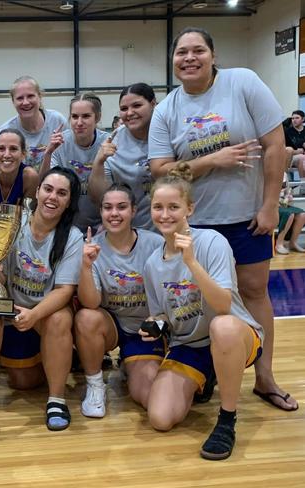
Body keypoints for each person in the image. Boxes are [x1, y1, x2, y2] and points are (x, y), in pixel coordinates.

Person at [148, 27, 297, 411]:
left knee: (253, 292)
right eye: (182, 52)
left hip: (246, 218)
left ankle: (264, 377)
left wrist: (269, 206)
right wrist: (211, 161)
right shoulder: (167, 109)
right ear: (173, 61)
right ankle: (209, 369)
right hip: (194, 224)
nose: (189, 58)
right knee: (203, 302)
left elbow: (276, 145)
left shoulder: (242, 82)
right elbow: (161, 171)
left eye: (198, 50)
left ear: (213, 55)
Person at [141, 163, 264, 461]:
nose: (165, 214)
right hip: (190, 345)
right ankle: (206, 377)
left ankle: (226, 419)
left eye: (174, 206)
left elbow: (222, 306)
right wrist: (154, 324)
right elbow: (162, 315)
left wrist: (192, 262)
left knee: (222, 327)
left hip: (236, 335)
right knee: (160, 419)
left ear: (189, 209)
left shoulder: (211, 242)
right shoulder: (151, 265)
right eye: (158, 207)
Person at [0, 167, 83, 430]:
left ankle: (57, 399)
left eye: (61, 193)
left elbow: (65, 290)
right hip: (12, 311)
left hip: (44, 313)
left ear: (69, 201)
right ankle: (61, 358)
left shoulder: (72, 237)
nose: (52, 197)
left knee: (59, 319)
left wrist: (34, 314)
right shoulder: (14, 222)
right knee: (22, 382)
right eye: (48, 189)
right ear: (37, 191)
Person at [74, 184, 163, 418]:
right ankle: (95, 385)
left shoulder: (155, 244)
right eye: (108, 208)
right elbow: (91, 302)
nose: (114, 213)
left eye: (121, 207)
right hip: (112, 324)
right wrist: (85, 266)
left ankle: (129, 364)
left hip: (144, 330)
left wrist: (161, 323)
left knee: (149, 398)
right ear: (101, 212)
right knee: (86, 317)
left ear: (133, 211)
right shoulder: (92, 246)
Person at [90, 83, 157, 231]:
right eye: (124, 109)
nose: (130, 113)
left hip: (169, 227)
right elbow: (99, 197)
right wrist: (99, 162)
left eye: (137, 106)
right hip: (130, 233)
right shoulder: (113, 140)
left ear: (153, 104)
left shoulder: (168, 132)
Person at [42, 93, 110, 234]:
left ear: (97, 117)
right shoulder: (59, 143)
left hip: (102, 226)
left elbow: (103, 195)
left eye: (86, 116)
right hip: (66, 226)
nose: (79, 122)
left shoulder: (108, 143)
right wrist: (48, 154)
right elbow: (45, 186)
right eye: (74, 116)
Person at [0, 76, 67, 172]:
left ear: (40, 97)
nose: (25, 102)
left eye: (30, 96)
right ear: (13, 101)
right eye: (20, 98)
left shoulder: (57, 122)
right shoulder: (4, 132)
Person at [276, 171, 305, 254]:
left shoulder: (284, 174)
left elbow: (288, 191)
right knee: (289, 214)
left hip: (284, 204)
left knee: (302, 215)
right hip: (273, 205)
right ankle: (279, 243)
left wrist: (289, 196)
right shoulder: (266, 173)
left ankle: (293, 242)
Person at [284, 110, 305, 180]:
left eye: (297, 118)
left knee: (302, 158)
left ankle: (302, 185)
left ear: (303, 119)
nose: (294, 120)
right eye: (292, 118)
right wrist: (296, 151)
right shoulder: (287, 131)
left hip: (302, 158)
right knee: (301, 158)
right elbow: (284, 149)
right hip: (290, 157)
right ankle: (303, 185)